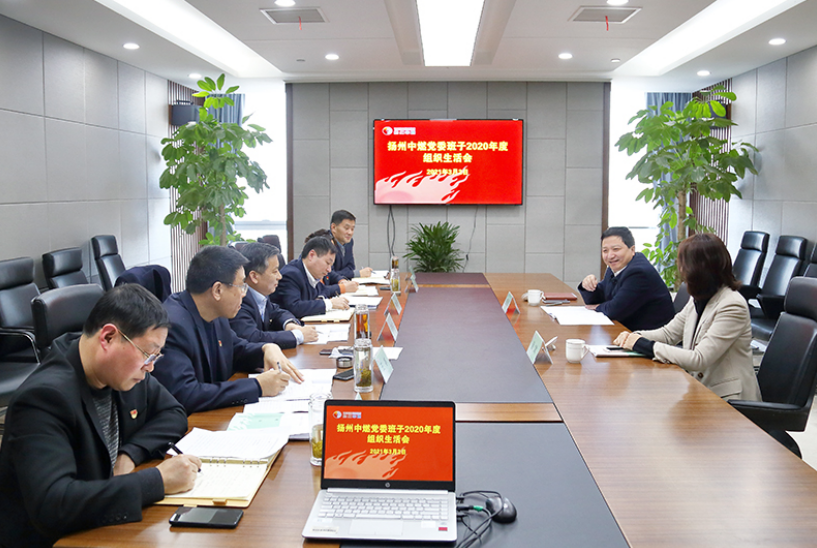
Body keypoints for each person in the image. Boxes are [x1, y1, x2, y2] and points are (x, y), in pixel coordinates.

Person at [0, 285, 201, 548]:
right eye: (147, 354)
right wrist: (157, 481)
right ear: (108, 337)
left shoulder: (122, 372)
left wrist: (130, 454)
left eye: (155, 356)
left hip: (104, 525)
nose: (150, 367)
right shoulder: (43, 399)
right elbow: (54, 504)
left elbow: (173, 412)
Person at [153, 246, 304, 414]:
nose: (244, 294)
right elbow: (186, 394)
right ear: (218, 290)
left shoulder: (215, 311)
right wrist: (257, 386)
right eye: (241, 286)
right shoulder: (172, 326)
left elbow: (236, 349)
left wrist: (266, 349)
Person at [614, 233, 762, 401]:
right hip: (701, 390)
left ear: (698, 268)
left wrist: (644, 345)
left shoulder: (732, 305)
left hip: (730, 400)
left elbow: (699, 358)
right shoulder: (699, 297)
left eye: (683, 264)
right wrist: (634, 336)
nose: (680, 270)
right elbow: (668, 334)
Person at [578, 226, 675, 331]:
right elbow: (601, 297)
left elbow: (615, 311)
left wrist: (597, 307)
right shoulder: (616, 267)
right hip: (627, 330)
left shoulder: (639, 273)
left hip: (649, 336)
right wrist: (588, 286)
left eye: (616, 249)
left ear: (632, 250)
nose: (610, 255)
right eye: (605, 251)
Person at [230, 242, 319, 347]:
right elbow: (253, 337)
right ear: (254, 276)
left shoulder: (260, 295)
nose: (279, 276)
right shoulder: (239, 300)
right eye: (275, 271)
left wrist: (289, 324)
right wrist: (297, 336)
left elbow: (277, 312)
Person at [271, 236, 351, 319]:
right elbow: (294, 307)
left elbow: (323, 290)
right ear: (311, 255)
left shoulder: (310, 274)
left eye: (331, 265)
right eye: (327, 263)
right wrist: (329, 304)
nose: (329, 270)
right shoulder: (291, 274)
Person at [327, 209, 372, 280]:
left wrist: (344, 273)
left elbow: (351, 267)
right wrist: (356, 274)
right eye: (346, 228)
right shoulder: (325, 243)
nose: (350, 233)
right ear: (334, 227)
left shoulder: (349, 242)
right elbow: (328, 274)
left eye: (352, 229)